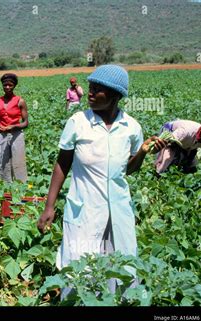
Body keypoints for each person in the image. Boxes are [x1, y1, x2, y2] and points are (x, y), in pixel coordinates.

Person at [37, 65, 166, 296]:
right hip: (84, 207)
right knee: (79, 264)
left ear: (116, 96)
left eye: (98, 89)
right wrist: (49, 206)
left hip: (118, 208)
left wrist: (143, 152)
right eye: (90, 87)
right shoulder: (78, 122)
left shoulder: (132, 128)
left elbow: (129, 169)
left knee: (121, 263)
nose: (90, 93)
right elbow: (62, 164)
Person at [0, 73, 28, 183]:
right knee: (2, 163)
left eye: (10, 85)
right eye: (5, 85)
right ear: (2, 85)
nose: (7, 87)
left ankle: (21, 188)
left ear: (14, 86)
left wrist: (14, 126)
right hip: (1, 135)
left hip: (16, 135)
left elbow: (26, 123)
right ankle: (5, 188)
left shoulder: (20, 101)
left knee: (18, 162)